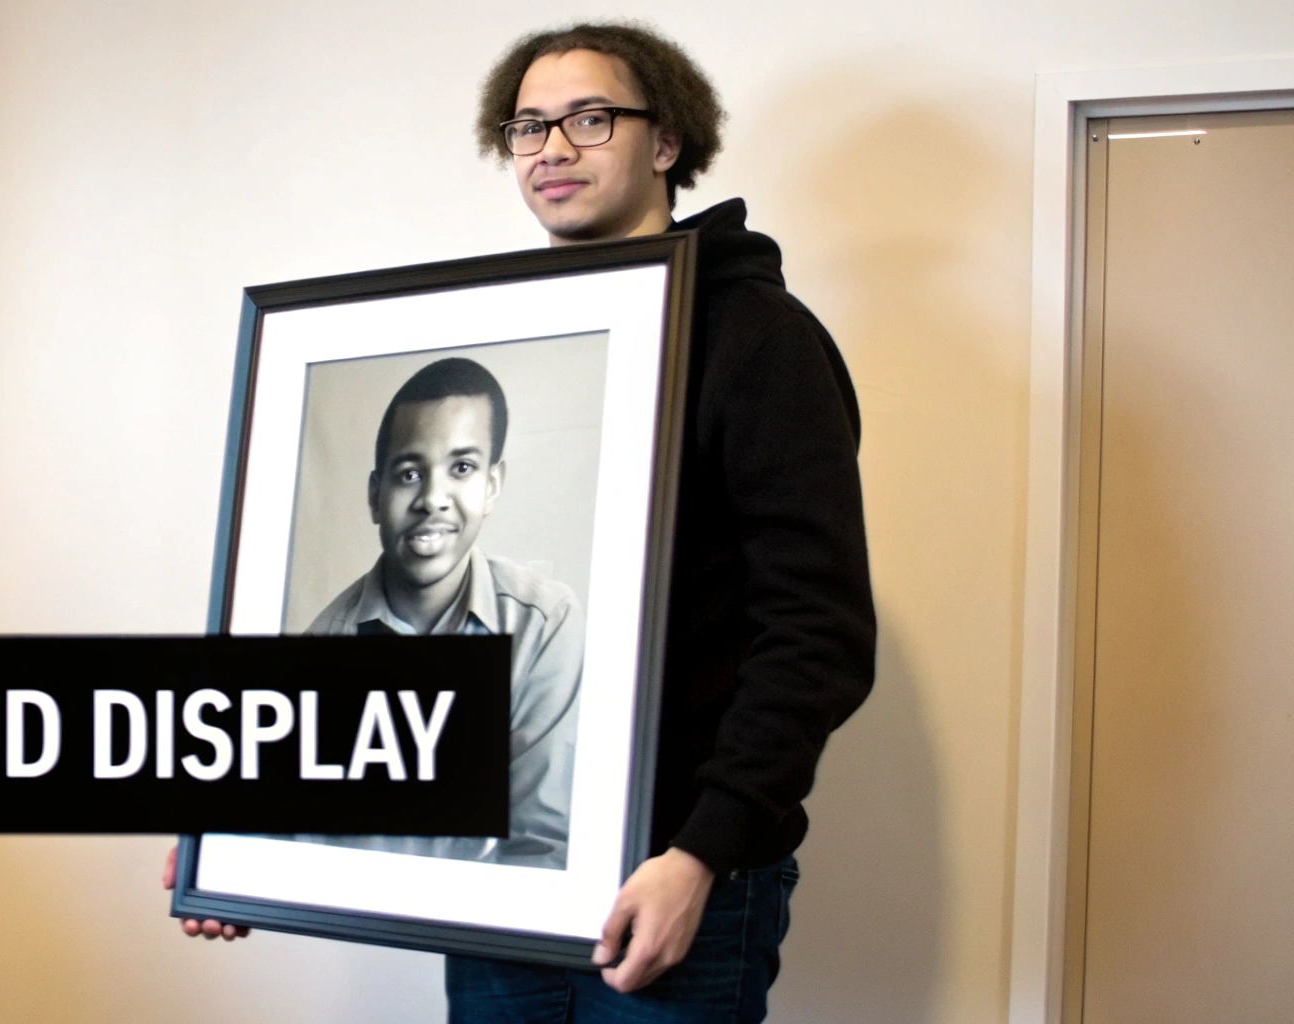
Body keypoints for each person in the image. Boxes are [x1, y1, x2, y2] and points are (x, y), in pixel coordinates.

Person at [168, 21, 876, 1024]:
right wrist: (237, 839)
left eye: (590, 119)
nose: (552, 149)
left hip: (675, 884)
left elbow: (817, 634)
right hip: (492, 896)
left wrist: (702, 850)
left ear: (666, 141)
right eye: (528, 126)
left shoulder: (759, 339)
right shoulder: (513, 331)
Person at [301, 356, 583, 870]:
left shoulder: (545, 625)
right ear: (375, 495)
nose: (433, 499)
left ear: (492, 485)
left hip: (496, 920)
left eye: (462, 468)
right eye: (410, 473)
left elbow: (544, 849)